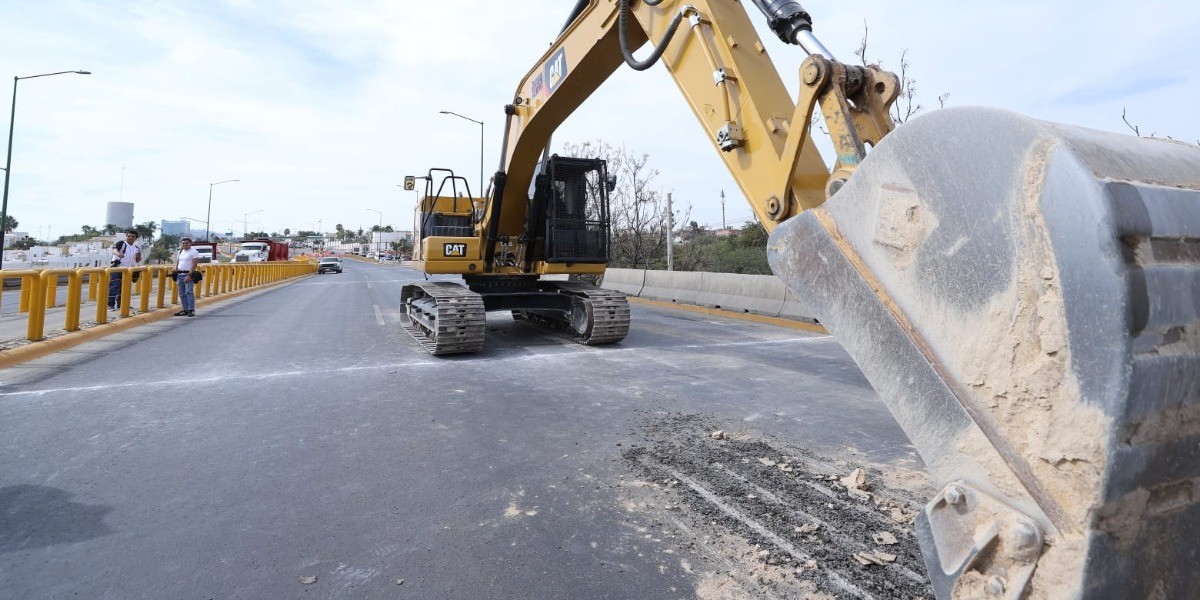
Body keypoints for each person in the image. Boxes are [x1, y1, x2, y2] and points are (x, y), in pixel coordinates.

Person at [107, 229, 142, 310]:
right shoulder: (122, 243)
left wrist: (139, 257)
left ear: (135, 238)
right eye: (128, 236)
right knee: (114, 286)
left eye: (132, 236)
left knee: (125, 288)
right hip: (117, 268)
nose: (130, 238)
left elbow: (137, 260)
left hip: (127, 270)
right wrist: (119, 254)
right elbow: (114, 249)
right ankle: (110, 305)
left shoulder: (136, 248)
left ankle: (122, 304)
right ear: (126, 236)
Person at [174, 237, 201, 317]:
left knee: (189, 292)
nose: (184, 244)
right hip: (180, 274)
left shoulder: (194, 252)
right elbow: (178, 262)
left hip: (188, 274)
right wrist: (176, 270)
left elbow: (194, 264)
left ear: (190, 243)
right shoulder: (180, 251)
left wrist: (189, 275)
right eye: (183, 243)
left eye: (186, 243)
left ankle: (191, 309)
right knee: (182, 294)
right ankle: (185, 309)